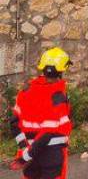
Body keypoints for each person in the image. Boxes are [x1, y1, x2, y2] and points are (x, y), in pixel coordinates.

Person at [10, 48, 72, 179]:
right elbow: (48, 132)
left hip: (29, 154)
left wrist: (24, 148)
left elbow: (14, 124)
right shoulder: (58, 95)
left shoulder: (25, 91)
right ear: (61, 71)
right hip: (51, 154)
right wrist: (26, 156)